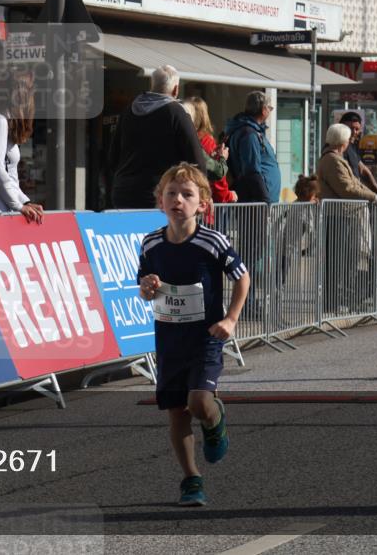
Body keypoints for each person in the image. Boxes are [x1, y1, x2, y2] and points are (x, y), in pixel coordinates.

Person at [137, 163, 250, 507]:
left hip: (205, 337)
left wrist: (231, 319)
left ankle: (215, 420)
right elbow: (145, 285)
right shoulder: (151, 243)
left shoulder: (211, 241)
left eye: (187, 194)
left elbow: (242, 278)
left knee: (199, 402)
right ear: (160, 200)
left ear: (202, 204)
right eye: (171, 193)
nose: (178, 200)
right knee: (177, 412)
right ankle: (191, 479)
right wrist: (147, 286)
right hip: (169, 339)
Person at [110, 66, 227, 209]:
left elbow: (113, 158)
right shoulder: (176, 112)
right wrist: (203, 194)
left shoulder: (128, 111)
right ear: (176, 89)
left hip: (123, 193)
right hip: (157, 196)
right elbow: (196, 159)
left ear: (152, 85)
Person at [317, 124, 377, 314]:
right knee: (337, 262)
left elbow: (356, 184)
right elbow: (347, 188)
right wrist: (375, 197)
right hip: (339, 215)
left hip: (344, 214)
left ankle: (336, 301)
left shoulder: (336, 159)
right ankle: (332, 303)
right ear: (342, 141)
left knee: (343, 261)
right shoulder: (333, 161)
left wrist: (375, 195)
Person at [0, 70, 44, 223]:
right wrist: (19, 205)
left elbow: (9, 175)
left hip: (3, 206)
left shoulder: (2, 122)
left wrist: (24, 202)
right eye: (31, 91)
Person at [225, 91, 280, 204]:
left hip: (259, 201)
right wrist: (265, 199)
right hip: (256, 202)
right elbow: (251, 170)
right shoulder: (249, 134)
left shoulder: (252, 131)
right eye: (270, 108)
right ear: (263, 110)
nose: (270, 112)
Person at [186, 97, 236, 204]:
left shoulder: (185, 138)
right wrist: (228, 196)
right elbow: (217, 179)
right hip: (202, 203)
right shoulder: (206, 141)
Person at [339, 111, 377, 195]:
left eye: (357, 129)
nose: (354, 132)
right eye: (350, 128)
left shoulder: (352, 147)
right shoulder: (336, 147)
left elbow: (364, 170)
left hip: (354, 191)